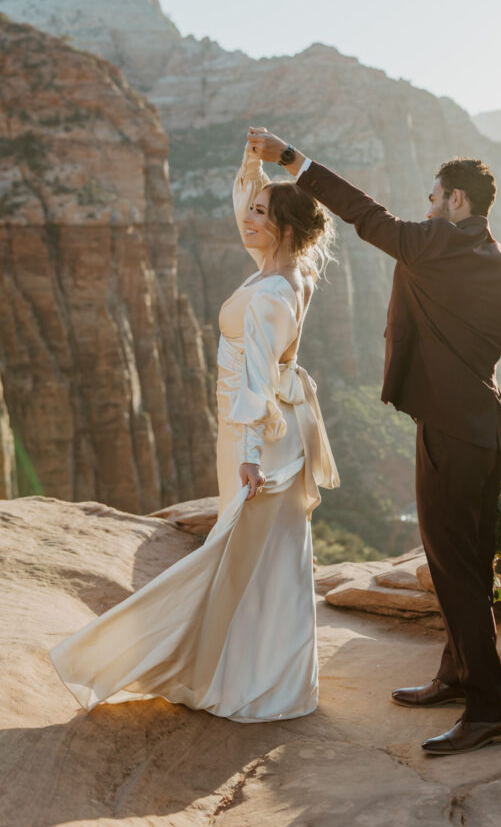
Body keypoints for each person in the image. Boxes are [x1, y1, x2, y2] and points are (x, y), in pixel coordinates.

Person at [247, 125, 501, 755]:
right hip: (489, 435)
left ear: (458, 202)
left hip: (449, 433)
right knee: (466, 562)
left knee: (453, 566)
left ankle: (488, 712)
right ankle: (457, 673)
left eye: (436, 198)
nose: (429, 208)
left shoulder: (433, 245)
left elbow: (362, 212)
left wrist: (292, 159)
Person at [50, 142, 339, 722]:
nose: (247, 220)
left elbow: (256, 384)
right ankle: (270, 676)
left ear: (283, 227)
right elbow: (249, 217)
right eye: (252, 209)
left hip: (255, 436)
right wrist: (253, 168)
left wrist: (251, 456)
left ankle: (224, 674)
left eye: (260, 213)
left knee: (238, 553)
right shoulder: (291, 273)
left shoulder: (269, 296)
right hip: (275, 431)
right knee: (270, 554)